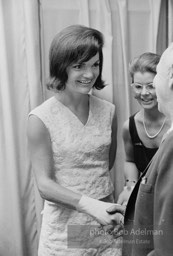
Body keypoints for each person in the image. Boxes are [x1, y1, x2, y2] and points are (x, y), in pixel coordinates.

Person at [27, 24, 124, 256]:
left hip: (105, 225)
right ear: (62, 66)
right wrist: (92, 206)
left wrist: (105, 210)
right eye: (79, 66)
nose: (89, 74)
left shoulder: (108, 111)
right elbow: (44, 185)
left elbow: (104, 166)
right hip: (64, 228)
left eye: (95, 65)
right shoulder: (40, 118)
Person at [117, 52, 170, 206]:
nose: (144, 93)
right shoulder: (129, 126)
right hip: (146, 202)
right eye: (138, 86)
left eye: (151, 86)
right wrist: (129, 187)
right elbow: (130, 160)